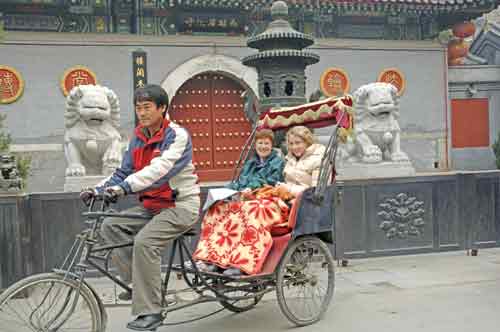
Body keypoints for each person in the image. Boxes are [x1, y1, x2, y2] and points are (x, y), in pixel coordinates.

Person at [80, 84, 200, 331]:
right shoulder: (138, 136)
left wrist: (124, 188)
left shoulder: (176, 135)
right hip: (151, 206)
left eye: (147, 107)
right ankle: (139, 287)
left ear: (162, 108)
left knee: (145, 242)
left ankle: (151, 310)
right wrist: (97, 189)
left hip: (180, 206)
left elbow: (159, 170)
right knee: (110, 226)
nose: (142, 113)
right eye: (138, 108)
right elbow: (124, 171)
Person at [193, 129, 286, 276]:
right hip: (246, 199)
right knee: (217, 209)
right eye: (260, 143)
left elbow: (271, 181)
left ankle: (242, 263)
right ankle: (211, 259)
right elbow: (239, 181)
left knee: (252, 212)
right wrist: (226, 190)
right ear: (255, 145)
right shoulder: (250, 163)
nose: (263, 146)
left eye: (266, 143)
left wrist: (252, 187)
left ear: (272, 145)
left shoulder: (278, 162)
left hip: (266, 199)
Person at [277, 125, 326, 195]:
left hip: (308, 203)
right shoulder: (290, 158)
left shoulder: (319, 159)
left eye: (298, 143)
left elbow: (316, 192)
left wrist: (289, 189)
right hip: (289, 198)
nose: (294, 147)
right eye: (291, 143)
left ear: (307, 142)